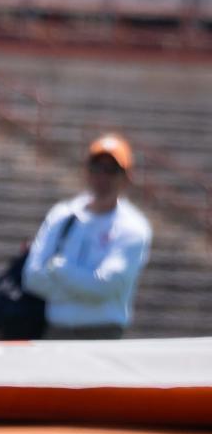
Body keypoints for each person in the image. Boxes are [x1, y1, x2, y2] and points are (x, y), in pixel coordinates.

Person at [23, 134, 151, 340]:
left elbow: (105, 286)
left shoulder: (133, 227)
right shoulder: (62, 215)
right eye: (96, 167)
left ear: (126, 177)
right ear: (86, 171)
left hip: (103, 333)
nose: (103, 177)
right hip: (58, 331)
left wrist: (59, 269)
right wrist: (84, 290)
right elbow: (33, 277)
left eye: (111, 170)